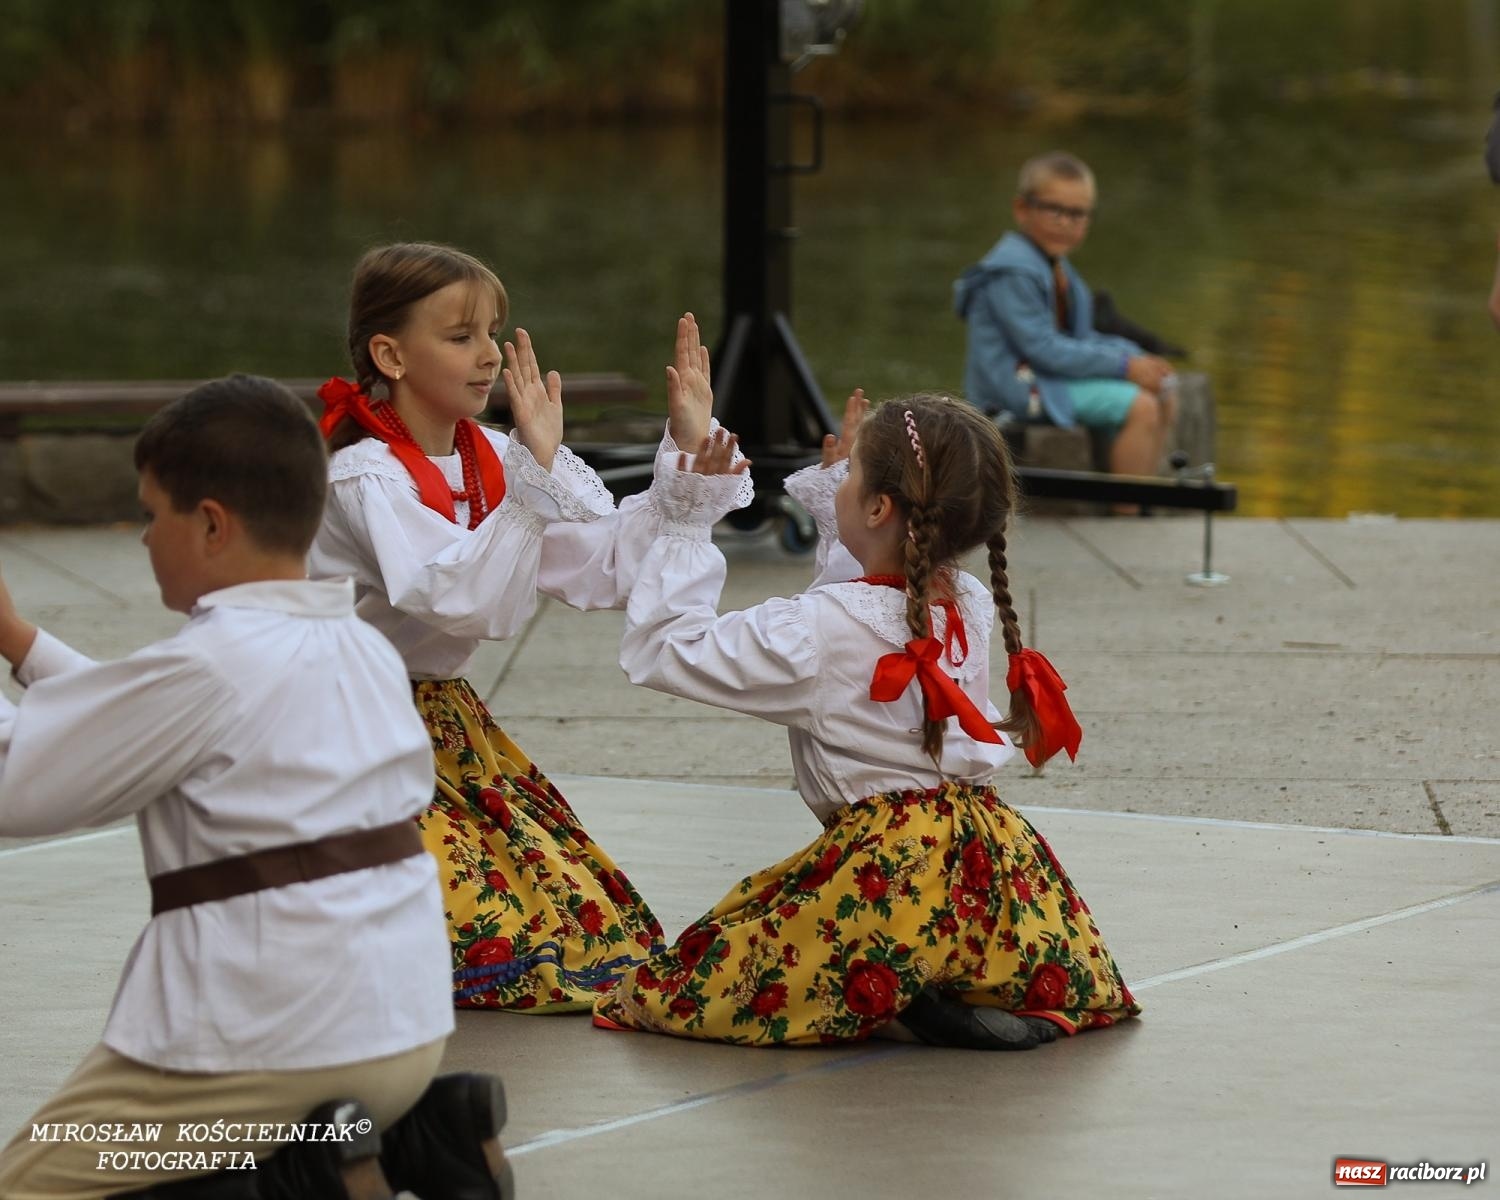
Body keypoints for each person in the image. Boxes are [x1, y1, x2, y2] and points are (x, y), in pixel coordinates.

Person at [0, 376, 509, 1199]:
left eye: (149, 514)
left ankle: (286, 1181)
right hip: (402, 1039)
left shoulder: (210, 667)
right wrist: (19, 641)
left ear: (208, 523)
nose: (141, 540)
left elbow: (16, 787)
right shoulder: (357, 647)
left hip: (260, 1058)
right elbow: (143, 724)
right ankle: (411, 1139)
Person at [593, 388, 1140, 1048]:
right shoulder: (965, 599)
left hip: (886, 871)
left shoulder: (817, 632)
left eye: (851, 476)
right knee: (980, 943)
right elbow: (867, 606)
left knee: (689, 983)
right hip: (987, 854)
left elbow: (664, 651)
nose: (840, 479)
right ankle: (951, 983)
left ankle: (903, 980)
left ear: (882, 507)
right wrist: (841, 515)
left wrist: (686, 523)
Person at [308, 242, 750, 1014]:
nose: (488, 357)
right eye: (460, 337)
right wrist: (528, 491)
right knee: (471, 937)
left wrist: (683, 448)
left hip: (436, 719)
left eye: (494, 333)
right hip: (343, 721)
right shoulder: (366, 475)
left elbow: (602, 563)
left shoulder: (489, 458)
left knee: (588, 926)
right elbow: (452, 598)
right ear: (390, 353)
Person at [954, 150, 1177, 479]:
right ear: (1022, 209)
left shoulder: (1059, 269)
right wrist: (1124, 366)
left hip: (1050, 378)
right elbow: (1043, 349)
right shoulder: (1012, 272)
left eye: (1077, 214)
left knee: (1166, 386)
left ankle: (1142, 493)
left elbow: (1082, 338)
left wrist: (1138, 357)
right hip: (1017, 391)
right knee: (1139, 406)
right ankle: (1130, 516)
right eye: (1053, 210)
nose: (1065, 222)